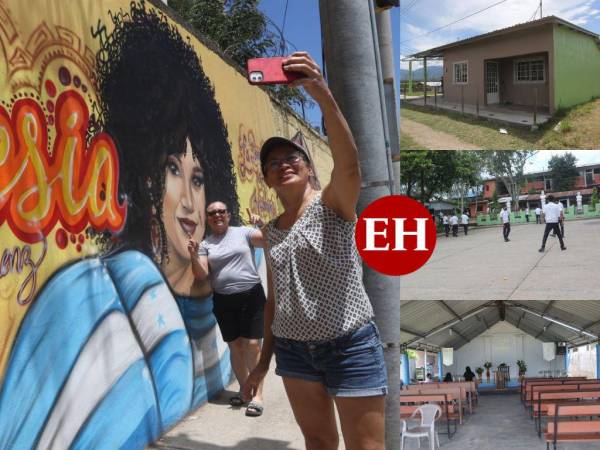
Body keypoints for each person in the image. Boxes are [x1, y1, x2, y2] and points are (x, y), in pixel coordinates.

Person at [243, 52, 387, 450]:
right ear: (268, 181)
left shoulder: (333, 205)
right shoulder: (270, 232)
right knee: (319, 443)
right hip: (292, 352)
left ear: (309, 169)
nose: (282, 165)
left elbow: (351, 166)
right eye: (272, 163)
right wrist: (263, 360)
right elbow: (275, 300)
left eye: (292, 158)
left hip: (349, 346)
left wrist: (322, 95)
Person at [188, 202, 267, 416]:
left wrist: (262, 225)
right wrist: (194, 256)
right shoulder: (206, 244)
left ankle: (257, 396)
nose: (217, 215)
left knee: (252, 345)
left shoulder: (244, 233)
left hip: (251, 295)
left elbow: (268, 241)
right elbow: (201, 274)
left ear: (228, 215)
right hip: (224, 300)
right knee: (235, 346)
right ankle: (244, 392)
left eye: (221, 211)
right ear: (208, 218)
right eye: (212, 213)